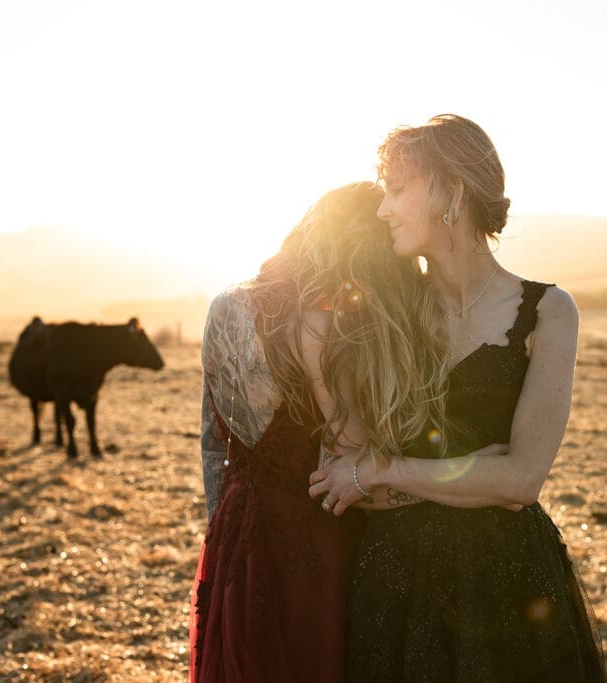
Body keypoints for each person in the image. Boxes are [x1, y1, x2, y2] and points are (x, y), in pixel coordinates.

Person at [308, 115, 607, 681]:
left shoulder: (549, 311)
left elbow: (521, 481)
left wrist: (385, 469)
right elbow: (347, 482)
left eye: (398, 190)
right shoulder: (382, 317)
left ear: (452, 192)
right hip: (394, 584)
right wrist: (471, 476)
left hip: (509, 582)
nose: (382, 209)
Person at [188, 181, 448, 683]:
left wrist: (223, 533)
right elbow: (351, 456)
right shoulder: (353, 325)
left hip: (245, 532)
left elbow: (212, 442)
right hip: (338, 538)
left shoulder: (228, 307)